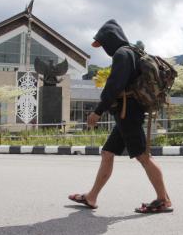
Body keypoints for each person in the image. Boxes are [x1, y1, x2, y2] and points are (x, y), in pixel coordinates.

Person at [68, 19, 173, 213]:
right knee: (108, 153)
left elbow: (114, 85)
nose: (104, 48)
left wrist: (98, 111)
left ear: (110, 39)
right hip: (126, 112)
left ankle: (163, 200)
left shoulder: (122, 54)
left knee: (143, 156)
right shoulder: (132, 53)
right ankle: (91, 197)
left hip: (128, 113)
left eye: (103, 43)